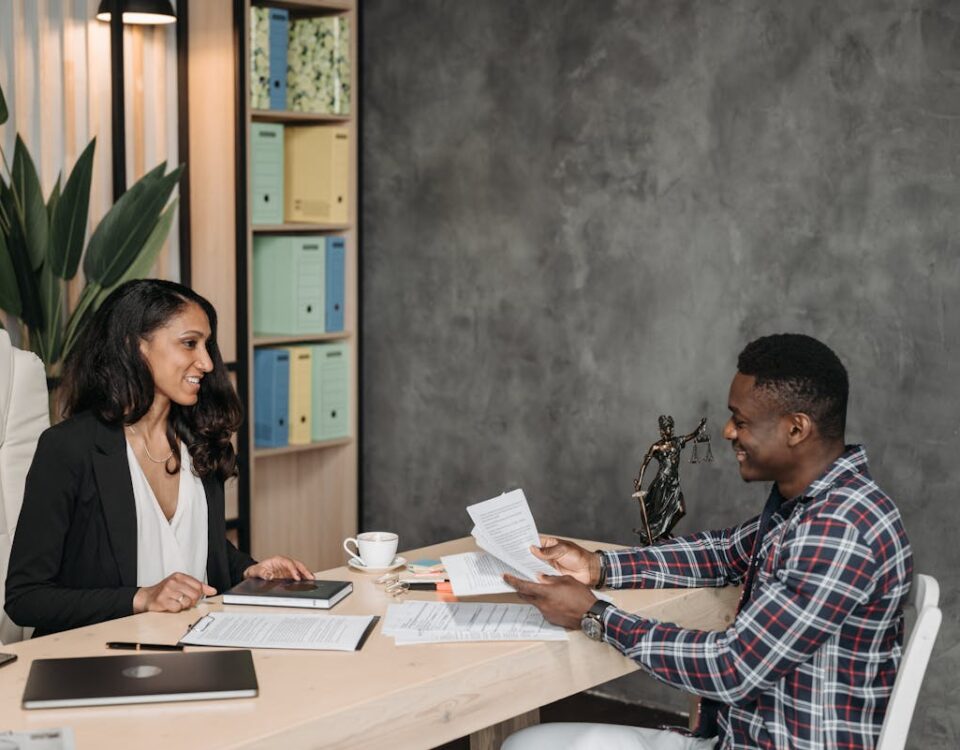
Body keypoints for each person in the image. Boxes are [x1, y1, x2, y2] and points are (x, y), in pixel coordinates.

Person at [503, 334, 912, 750]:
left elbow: (732, 668)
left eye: (742, 420)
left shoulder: (840, 530)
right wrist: (599, 566)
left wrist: (596, 615)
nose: (728, 430)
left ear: (795, 428)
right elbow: (723, 552)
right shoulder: (816, 506)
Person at [5, 279, 313, 637]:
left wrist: (248, 570)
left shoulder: (199, 438)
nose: (207, 362)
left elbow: (193, 546)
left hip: (199, 645)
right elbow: (25, 597)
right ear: (135, 346)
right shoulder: (69, 448)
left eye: (207, 345)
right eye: (189, 344)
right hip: (101, 660)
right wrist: (140, 598)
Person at [632, 415, 707, 544]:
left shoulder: (677, 442)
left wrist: (699, 428)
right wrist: (639, 480)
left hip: (674, 483)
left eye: (672, 428)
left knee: (681, 510)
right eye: (668, 428)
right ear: (661, 431)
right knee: (659, 513)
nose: (671, 431)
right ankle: (657, 535)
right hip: (662, 483)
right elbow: (645, 463)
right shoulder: (656, 447)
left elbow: (692, 435)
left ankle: (664, 532)